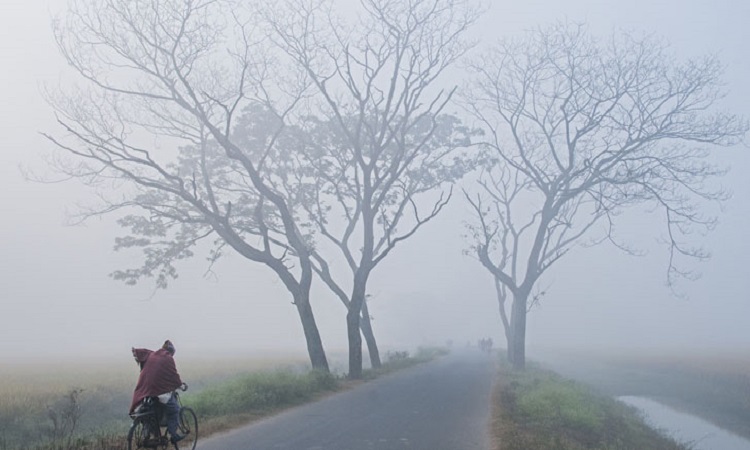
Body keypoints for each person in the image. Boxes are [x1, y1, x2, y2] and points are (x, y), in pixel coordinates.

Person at [129, 340, 188, 444]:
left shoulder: (152, 355)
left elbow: (142, 354)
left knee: (149, 412)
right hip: (159, 391)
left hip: (146, 391)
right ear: (171, 352)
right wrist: (181, 385)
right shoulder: (168, 358)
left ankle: (149, 434)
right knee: (175, 410)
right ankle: (173, 435)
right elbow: (174, 376)